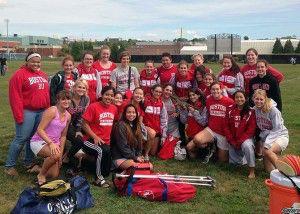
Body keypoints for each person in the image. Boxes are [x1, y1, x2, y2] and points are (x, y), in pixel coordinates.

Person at [5, 52, 50, 176]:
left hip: (41, 111)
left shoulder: (43, 75)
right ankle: (9, 166)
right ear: (27, 61)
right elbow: (15, 97)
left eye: (38, 61)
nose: (36, 64)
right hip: (27, 111)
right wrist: (19, 115)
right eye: (33, 61)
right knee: (21, 138)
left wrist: (47, 111)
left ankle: (29, 163)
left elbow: (46, 94)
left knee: (33, 138)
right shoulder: (19, 75)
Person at [30, 90, 71, 185]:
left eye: (68, 99)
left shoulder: (68, 116)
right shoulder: (52, 110)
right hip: (39, 141)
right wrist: (51, 143)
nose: (66, 101)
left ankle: (38, 168)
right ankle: (41, 174)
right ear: (58, 100)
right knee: (55, 155)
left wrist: (60, 154)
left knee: (54, 175)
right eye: (63, 99)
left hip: (54, 145)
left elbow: (63, 136)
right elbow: (40, 129)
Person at [81, 86, 118, 186]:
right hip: (89, 140)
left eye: (111, 95)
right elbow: (84, 124)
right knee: (101, 151)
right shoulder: (93, 106)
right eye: (106, 94)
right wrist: (95, 136)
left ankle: (84, 162)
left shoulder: (114, 108)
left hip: (105, 142)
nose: (109, 97)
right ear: (102, 94)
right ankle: (98, 179)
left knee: (106, 171)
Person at [190, 82, 234, 162]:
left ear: (221, 90)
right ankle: (209, 148)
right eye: (213, 89)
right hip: (212, 129)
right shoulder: (209, 100)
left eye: (217, 89)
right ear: (210, 90)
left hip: (223, 133)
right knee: (197, 139)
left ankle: (215, 150)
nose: (215, 91)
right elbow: (207, 116)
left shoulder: (229, 102)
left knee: (223, 161)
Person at [252, 89, 289, 173]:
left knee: (266, 151)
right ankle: (278, 158)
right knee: (269, 170)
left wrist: (267, 144)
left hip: (280, 136)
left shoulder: (273, 111)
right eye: (256, 99)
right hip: (268, 137)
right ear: (253, 99)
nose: (259, 101)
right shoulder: (255, 110)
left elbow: (277, 129)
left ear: (265, 99)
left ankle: (285, 173)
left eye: (261, 99)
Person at [224, 91, 256, 178]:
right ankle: (242, 159)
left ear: (245, 99)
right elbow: (226, 127)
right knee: (235, 164)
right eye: (237, 97)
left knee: (247, 146)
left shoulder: (250, 111)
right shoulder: (230, 109)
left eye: (241, 97)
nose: (239, 99)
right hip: (233, 139)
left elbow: (251, 130)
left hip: (245, 138)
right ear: (234, 99)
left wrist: (240, 141)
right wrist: (231, 140)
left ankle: (252, 170)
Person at [66, 79, 90, 174]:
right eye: (79, 87)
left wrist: (79, 129)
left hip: (77, 124)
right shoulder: (68, 97)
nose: (81, 89)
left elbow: (82, 116)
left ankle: (68, 156)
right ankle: (72, 165)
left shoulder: (86, 99)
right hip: (66, 124)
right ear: (74, 88)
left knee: (82, 139)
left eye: (84, 88)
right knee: (79, 141)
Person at [111, 104, 145, 170]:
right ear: (124, 113)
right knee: (135, 166)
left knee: (149, 166)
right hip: (120, 156)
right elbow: (122, 146)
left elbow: (140, 144)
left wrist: (138, 155)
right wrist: (135, 158)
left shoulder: (137, 125)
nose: (131, 114)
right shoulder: (120, 125)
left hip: (132, 155)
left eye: (133, 112)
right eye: (129, 112)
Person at [182, 90, 208, 161]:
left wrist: (194, 112)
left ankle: (206, 151)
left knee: (190, 148)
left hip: (200, 135)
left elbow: (203, 122)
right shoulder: (189, 106)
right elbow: (184, 121)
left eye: (194, 95)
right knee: (191, 156)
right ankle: (198, 155)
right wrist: (183, 110)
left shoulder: (203, 107)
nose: (192, 97)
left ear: (199, 95)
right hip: (190, 134)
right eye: (190, 95)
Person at [143, 84, 168, 159]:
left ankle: (145, 148)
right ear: (152, 91)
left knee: (153, 153)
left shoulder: (161, 104)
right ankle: (143, 152)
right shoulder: (145, 101)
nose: (158, 94)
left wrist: (163, 135)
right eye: (156, 91)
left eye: (160, 92)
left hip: (156, 131)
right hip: (145, 129)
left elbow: (164, 120)